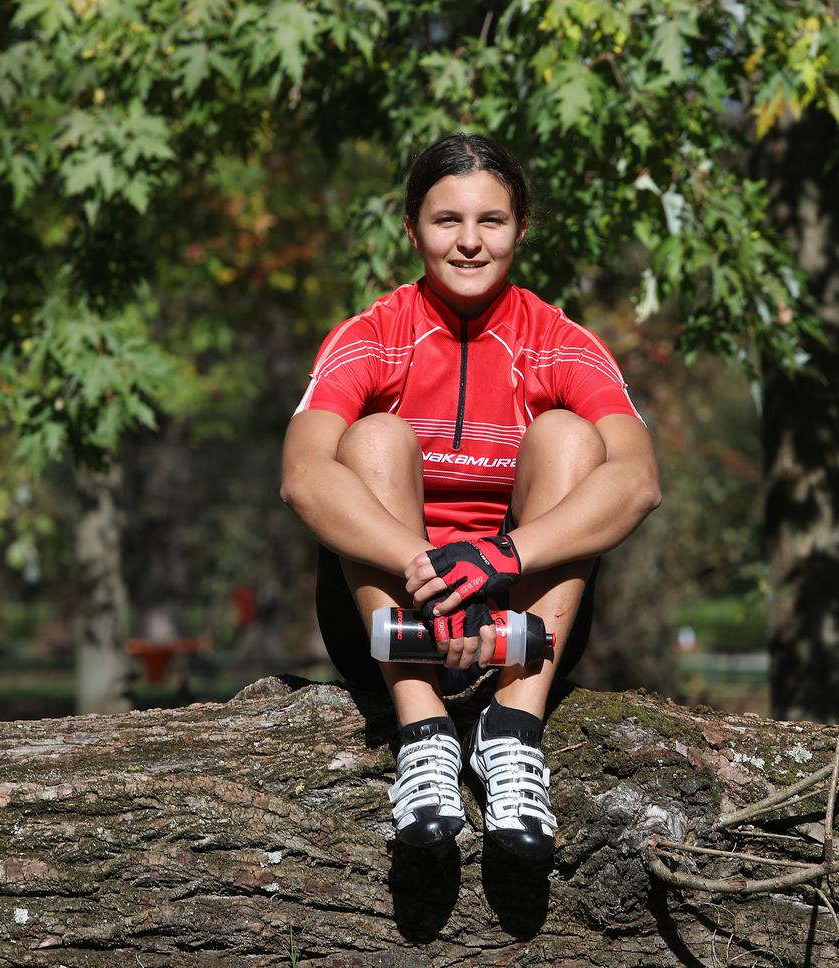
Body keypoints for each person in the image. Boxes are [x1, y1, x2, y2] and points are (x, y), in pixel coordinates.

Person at [279, 134, 660, 862]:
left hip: (522, 631)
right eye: (446, 220)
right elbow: (302, 476)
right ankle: (422, 736)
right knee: (369, 441)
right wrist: (430, 568)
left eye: (491, 221)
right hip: (389, 624)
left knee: (572, 438)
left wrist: (499, 558)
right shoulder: (370, 336)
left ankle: (512, 735)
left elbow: (637, 482)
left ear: (521, 228)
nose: (468, 243)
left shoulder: (561, 341)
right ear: (411, 229)